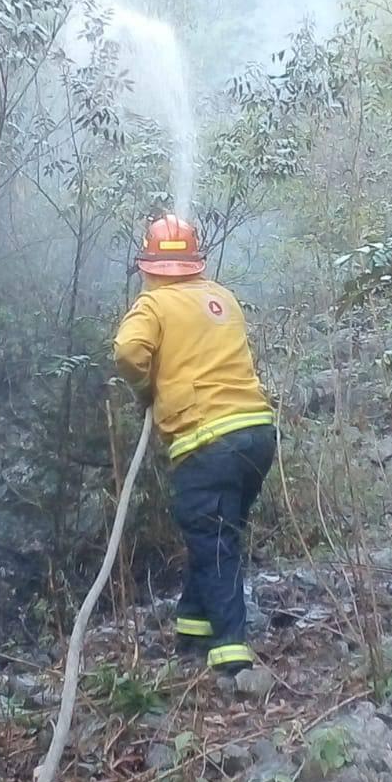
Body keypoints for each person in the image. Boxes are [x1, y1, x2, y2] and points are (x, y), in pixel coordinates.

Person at [113, 214, 276, 675]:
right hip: (257, 435)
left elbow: (128, 352)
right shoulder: (222, 298)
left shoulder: (153, 305)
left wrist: (145, 387)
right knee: (217, 533)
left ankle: (231, 654)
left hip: (206, 441)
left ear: (148, 266)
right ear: (195, 261)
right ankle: (192, 630)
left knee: (214, 540)